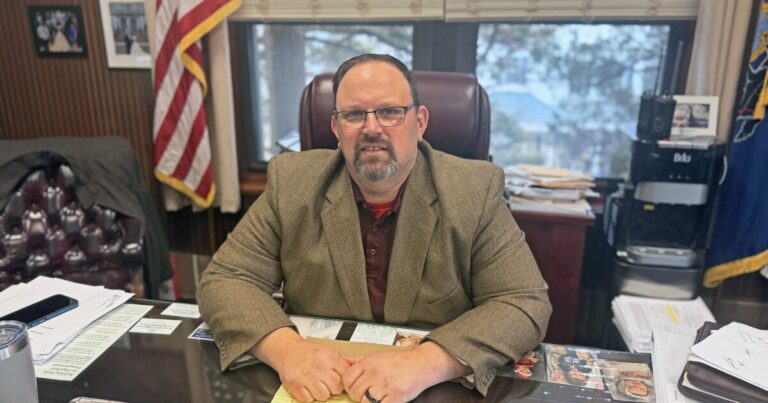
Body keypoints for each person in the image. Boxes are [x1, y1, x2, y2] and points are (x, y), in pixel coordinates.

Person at [197, 53, 552, 403]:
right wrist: (288, 350)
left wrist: (424, 362)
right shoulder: (291, 182)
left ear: (420, 122)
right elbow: (227, 280)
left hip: (430, 387)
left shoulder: (474, 190)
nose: (371, 128)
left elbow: (522, 302)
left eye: (390, 112)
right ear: (337, 128)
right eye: (354, 114)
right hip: (319, 384)